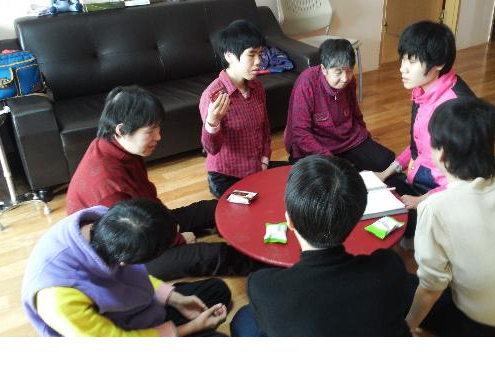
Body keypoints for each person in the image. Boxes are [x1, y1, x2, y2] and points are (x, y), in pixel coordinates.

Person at [66, 86, 261, 280]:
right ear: (121, 130)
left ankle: (251, 230)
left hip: (145, 221)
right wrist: (178, 239)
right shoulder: (107, 188)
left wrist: (172, 228)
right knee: (214, 255)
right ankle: (262, 263)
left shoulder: (116, 146)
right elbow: (133, 240)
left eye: (158, 128)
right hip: (129, 254)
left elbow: (148, 199)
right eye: (150, 131)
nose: (158, 137)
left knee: (215, 208)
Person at [406, 98, 495, 337]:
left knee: (404, 289)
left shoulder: (435, 208)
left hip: (487, 328)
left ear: (441, 154)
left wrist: (407, 327)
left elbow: (431, 288)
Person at [230, 155, 412, 337]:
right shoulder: (389, 267)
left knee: (242, 320)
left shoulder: (263, 287)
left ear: (290, 222)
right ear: (357, 218)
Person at [22, 199, 230, 337]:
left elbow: (135, 277)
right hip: (120, 333)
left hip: (138, 307)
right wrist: (191, 328)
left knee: (217, 289)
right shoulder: (58, 299)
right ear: (123, 262)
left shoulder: (106, 223)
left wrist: (176, 299)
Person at [375, 21, 475, 248]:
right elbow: (418, 147)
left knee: (396, 226)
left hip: (443, 190)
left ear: (438, 63)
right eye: (403, 59)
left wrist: (421, 200)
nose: (402, 68)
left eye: (412, 61)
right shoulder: (423, 89)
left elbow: (464, 181)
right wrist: (385, 172)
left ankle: (424, 229)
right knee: (377, 185)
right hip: (420, 174)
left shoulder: (457, 110)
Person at [283, 39, 395, 172]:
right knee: (331, 177)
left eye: (349, 70)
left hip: (347, 139)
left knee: (387, 161)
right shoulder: (306, 83)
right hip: (316, 144)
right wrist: (328, 158)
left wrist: (366, 136)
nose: (345, 78)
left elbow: (355, 113)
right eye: (338, 72)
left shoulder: (349, 81)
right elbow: (300, 132)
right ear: (324, 69)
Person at [200, 20, 274, 198]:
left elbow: (265, 128)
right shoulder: (213, 95)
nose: (258, 61)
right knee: (254, 209)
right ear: (229, 56)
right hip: (226, 176)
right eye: (251, 54)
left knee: (290, 186)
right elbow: (211, 149)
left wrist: (264, 160)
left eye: (260, 54)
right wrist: (212, 122)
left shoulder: (257, 87)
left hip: (257, 167)